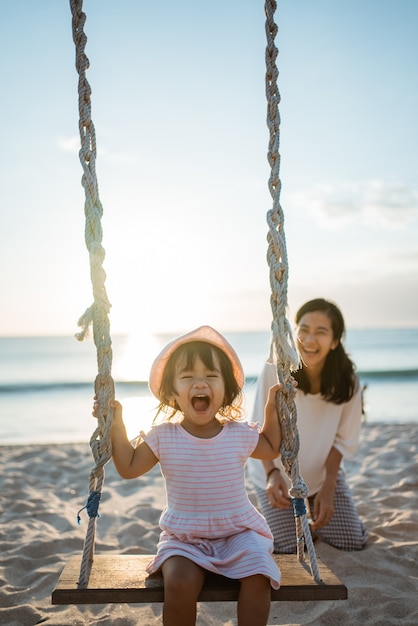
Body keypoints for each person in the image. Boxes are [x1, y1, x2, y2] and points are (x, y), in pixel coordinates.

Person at [94, 325, 286, 626]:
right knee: (179, 584)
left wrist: (272, 409)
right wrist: (116, 423)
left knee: (259, 574)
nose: (200, 383)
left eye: (211, 376)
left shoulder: (237, 435)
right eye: (188, 377)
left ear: (226, 390)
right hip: (184, 539)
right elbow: (129, 467)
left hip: (238, 533)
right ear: (172, 392)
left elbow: (272, 447)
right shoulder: (163, 437)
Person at [247, 298, 368, 554]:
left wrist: (330, 485)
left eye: (321, 332)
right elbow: (255, 428)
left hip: (322, 477)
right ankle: (277, 515)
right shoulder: (276, 369)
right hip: (277, 477)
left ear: (335, 341)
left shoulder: (348, 383)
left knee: (351, 541)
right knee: (290, 546)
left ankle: (314, 515)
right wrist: (271, 475)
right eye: (303, 329)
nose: (309, 339)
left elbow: (342, 440)